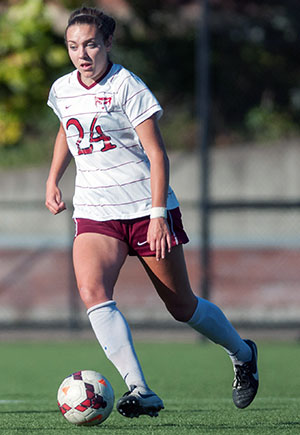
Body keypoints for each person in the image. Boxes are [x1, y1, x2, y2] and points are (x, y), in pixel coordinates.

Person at [45, 6, 258, 418]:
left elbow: (157, 154)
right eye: (73, 46)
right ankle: (140, 389)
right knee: (94, 293)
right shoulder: (62, 88)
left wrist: (158, 213)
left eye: (90, 44)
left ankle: (242, 352)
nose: (82, 54)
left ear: (108, 42)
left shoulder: (128, 86)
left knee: (182, 307)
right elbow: (66, 130)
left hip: (145, 208)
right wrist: (53, 177)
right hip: (95, 211)